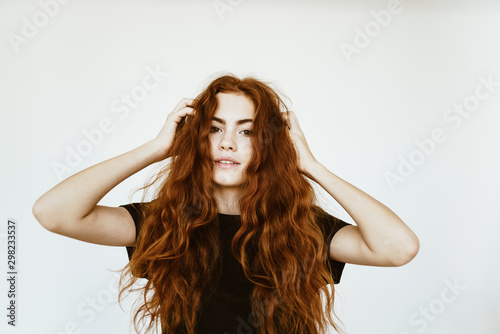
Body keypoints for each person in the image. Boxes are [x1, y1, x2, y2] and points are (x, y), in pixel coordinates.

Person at [33, 73, 420, 334]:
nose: (228, 143)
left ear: (267, 143)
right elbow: (53, 212)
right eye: (214, 128)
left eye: (246, 131)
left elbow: (398, 247)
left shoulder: (303, 226)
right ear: (196, 137)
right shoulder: (163, 222)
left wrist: (311, 166)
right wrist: (155, 149)